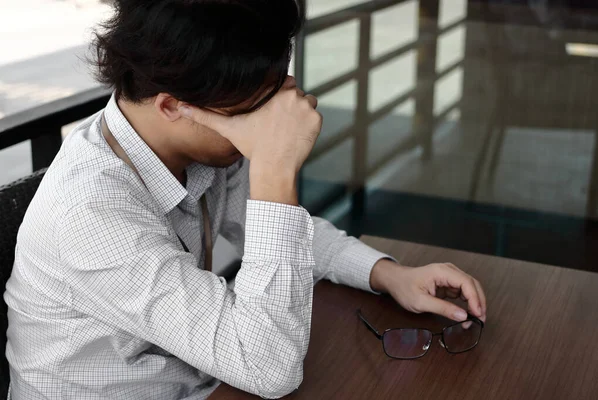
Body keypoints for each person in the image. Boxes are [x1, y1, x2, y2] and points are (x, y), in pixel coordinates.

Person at [4, 0, 487, 399]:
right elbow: (269, 367)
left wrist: (388, 274)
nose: (264, 125)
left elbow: (272, 233)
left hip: (203, 382)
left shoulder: (195, 142)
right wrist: (276, 166)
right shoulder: (90, 216)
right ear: (172, 106)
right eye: (252, 112)